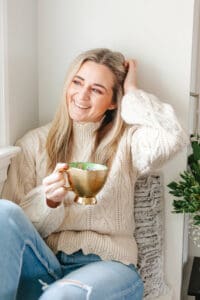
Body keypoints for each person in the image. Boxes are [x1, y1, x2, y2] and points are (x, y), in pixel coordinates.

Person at [0, 48, 188, 300]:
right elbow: (13, 234)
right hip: (47, 265)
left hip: (110, 268)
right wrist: (49, 202)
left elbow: (171, 138)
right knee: (4, 212)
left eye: (97, 89)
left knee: (61, 295)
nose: (82, 95)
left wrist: (131, 91)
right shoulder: (33, 143)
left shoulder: (127, 142)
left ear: (113, 101)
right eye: (77, 82)